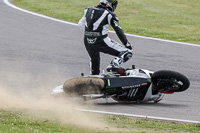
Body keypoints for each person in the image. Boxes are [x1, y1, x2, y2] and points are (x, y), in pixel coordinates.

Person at [78, 0, 133, 75]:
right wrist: (127, 44)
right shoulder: (110, 14)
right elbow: (118, 30)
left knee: (94, 60)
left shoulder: (88, 10)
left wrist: (92, 32)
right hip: (101, 40)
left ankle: (93, 77)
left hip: (87, 40)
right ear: (111, 4)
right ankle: (113, 66)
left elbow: (80, 25)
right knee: (127, 52)